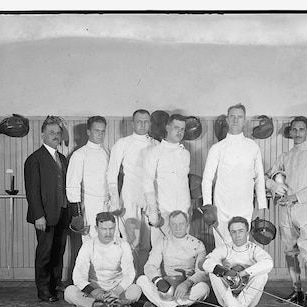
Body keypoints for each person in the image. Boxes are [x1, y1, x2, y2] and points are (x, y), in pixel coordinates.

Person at [265, 116, 307, 307]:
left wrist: (295, 197)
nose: (298, 133)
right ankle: (297, 290)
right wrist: (273, 186)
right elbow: (268, 177)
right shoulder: (285, 156)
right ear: (290, 132)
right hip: (286, 210)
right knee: (290, 251)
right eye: (295, 129)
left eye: (302, 129)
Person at [202, 103, 267, 247]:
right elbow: (207, 179)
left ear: (245, 120)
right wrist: (208, 206)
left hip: (245, 207)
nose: (235, 120)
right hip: (222, 208)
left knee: (242, 249)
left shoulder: (252, 147)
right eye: (232, 117)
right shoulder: (217, 148)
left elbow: (259, 178)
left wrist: (261, 206)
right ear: (227, 120)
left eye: (239, 117)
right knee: (222, 248)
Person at [107, 109, 158, 274]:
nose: (143, 125)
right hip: (130, 196)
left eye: (146, 122)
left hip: (149, 197)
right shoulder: (123, 143)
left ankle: (144, 279)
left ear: (150, 123)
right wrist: (115, 200)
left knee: (147, 242)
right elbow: (112, 173)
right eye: (139, 121)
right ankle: (131, 279)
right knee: (131, 241)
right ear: (132, 124)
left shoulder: (156, 144)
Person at [64, 212, 142, 307]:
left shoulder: (123, 245)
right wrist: (95, 292)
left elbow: (129, 274)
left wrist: (117, 291)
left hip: (116, 290)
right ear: (96, 228)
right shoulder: (88, 246)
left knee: (136, 290)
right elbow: (78, 276)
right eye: (104, 229)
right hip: (94, 290)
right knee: (69, 292)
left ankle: (95, 306)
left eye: (111, 229)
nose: (108, 233)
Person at [24, 116, 69, 302]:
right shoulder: (35, 159)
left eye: (58, 133)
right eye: (52, 133)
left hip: (61, 213)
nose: (56, 136)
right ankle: (43, 291)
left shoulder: (63, 159)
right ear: (43, 134)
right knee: (45, 253)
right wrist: (38, 216)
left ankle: (55, 284)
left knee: (58, 251)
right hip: (45, 216)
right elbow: (32, 191)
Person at [136, 210, 209, 307]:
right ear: (169, 225)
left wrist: (187, 283)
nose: (178, 228)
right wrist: (158, 281)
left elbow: (203, 272)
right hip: (165, 287)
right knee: (141, 280)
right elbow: (150, 265)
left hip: (185, 288)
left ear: (187, 225)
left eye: (181, 224)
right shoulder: (162, 242)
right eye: (174, 224)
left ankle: (162, 304)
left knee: (204, 288)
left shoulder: (198, 244)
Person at [202, 216, 273, 307]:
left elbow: (269, 263)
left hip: (249, 301)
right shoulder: (225, 248)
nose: (237, 235)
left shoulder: (254, 249)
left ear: (247, 232)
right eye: (233, 232)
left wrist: (242, 274)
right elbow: (205, 263)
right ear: (230, 234)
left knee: (262, 274)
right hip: (226, 300)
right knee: (214, 272)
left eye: (241, 231)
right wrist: (223, 271)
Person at [143, 114, 191, 245]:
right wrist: (153, 210)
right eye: (176, 127)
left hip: (182, 212)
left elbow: (184, 183)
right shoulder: (154, 152)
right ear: (167, 127)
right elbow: (147, 181)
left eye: (182, 129)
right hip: (163, 212)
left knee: (183, 252)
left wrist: (188, 207)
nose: (179, 132)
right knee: (160, 252)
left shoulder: (185, 154)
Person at [66, 116, 110, 242]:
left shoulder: (108, 152)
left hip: (107, 204)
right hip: (90, 205)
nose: (100, 134)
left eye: (103, 131)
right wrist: (77, 214)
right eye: (97, 131)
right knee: (91, 242)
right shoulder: (79, 154)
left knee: (110, 241)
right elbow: (72, 185)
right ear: (88, 132)